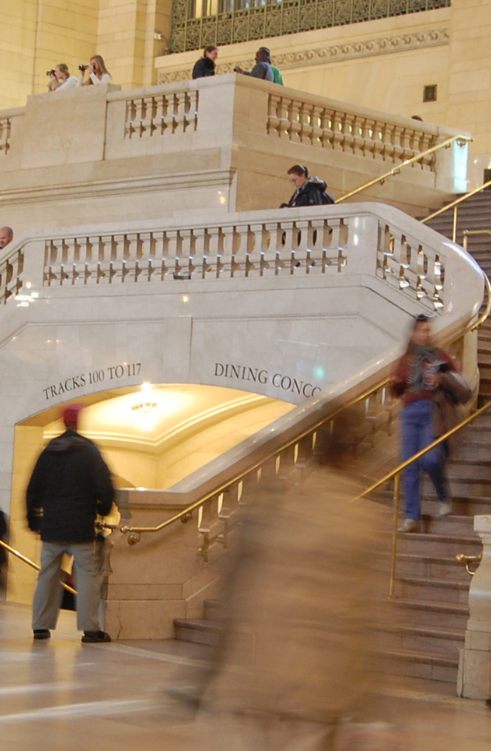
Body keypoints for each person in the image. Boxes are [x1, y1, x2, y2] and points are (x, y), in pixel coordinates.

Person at [193, 419, 398, 750]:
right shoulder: (362, 521)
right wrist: (378, 708)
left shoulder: (281, 512)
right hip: (328, 676)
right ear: (351, 459)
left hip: (272, 670)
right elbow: (367, 617)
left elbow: (246, 595)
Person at [26, 403, 115, 643]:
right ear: (78, 422)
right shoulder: (89, 451)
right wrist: (103, 509)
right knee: (87, 577)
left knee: (47, 576)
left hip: (52, 526)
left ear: (63, 423)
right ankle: (90, 629)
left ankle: (40, 626)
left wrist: (33, 519)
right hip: (81, 526)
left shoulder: (48, 451)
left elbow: (33, 488)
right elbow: (105, 485)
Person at [390, 314, 471, 533]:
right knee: (409, 465)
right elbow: (397, 390)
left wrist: (440, 379)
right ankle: (412, 516)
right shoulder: (405, 359)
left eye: (428, 330)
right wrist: (395, 384)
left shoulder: (439, 356)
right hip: (409, 413)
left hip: (432, 410)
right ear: (413, 333)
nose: (427, 334)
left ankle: (443, 495)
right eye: (423, 330)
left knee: (431, 458)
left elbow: (458, 381)